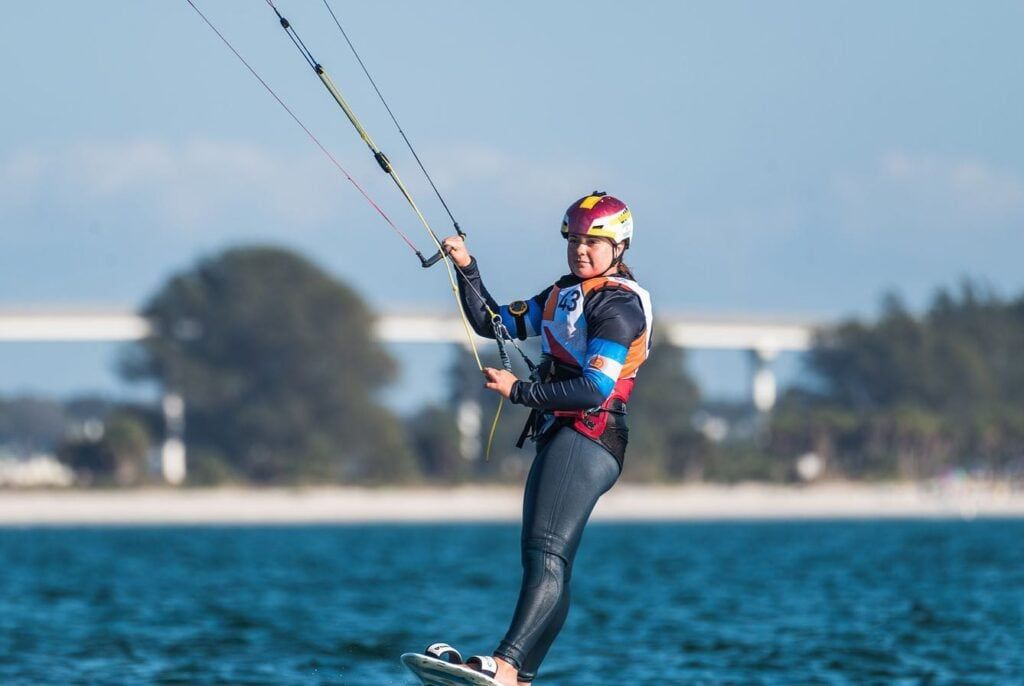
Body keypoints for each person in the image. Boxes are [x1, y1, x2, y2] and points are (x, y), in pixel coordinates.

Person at [441, 192, 654, 685]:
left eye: (593, 243)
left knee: (547, 554)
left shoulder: (619, 306)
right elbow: (493, 323)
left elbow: (595, 387)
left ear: (619, 246)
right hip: (563, 433)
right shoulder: (563, 294)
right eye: (574, 241)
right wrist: (467, 267)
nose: (581, 250)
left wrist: (519, 390)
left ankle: (506, 663)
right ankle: (519, 678)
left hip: (592, 435)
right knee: (544, 560)